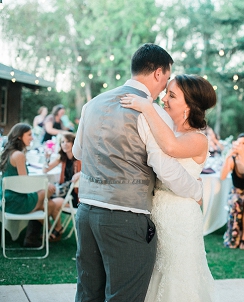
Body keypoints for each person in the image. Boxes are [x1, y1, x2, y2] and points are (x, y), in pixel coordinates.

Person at [73, 44, 204, 301]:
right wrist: (197, 189)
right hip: (124, 217)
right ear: (158, 73)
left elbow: (79, 152)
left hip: (86, 212)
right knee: (124, 296)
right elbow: (165, 169)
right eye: (166, 79)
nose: (165, 88)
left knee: (88, 294)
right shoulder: (151, 112)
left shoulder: (92, 104)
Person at [120, 73, 217, 302]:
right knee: (155, 275)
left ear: (189, 106)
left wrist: (147, 107)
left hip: (180, 218)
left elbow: (170, 148)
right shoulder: (167, 130)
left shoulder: (198, 139)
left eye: (171, 95)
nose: (164, 98)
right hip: (157, 212)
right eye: (166, 92)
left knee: (177, 277)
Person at [0, 123, 60, 245]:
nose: (32, 137)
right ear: (19, 137)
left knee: (50, 204)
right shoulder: (19, 155)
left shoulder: (9, 153)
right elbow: (25, 184)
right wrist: (44, 185)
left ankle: (39, 234)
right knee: (48, 192)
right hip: (16, 202)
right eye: (29, 135)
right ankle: (42, 233)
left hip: (6, 200)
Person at [43, 132, 81, 240]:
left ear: (74, 143)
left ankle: (56, 229)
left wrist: (80, 173)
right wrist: (47, 158)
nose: (65, 144)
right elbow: (45, 170)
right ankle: (56, 228)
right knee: (47, 199)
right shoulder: (62, 158)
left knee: (51, 202)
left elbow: (90, 170)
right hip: (65, 193)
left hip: (76, 197)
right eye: (62, 142)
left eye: (68, 141)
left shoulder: (80, 158)